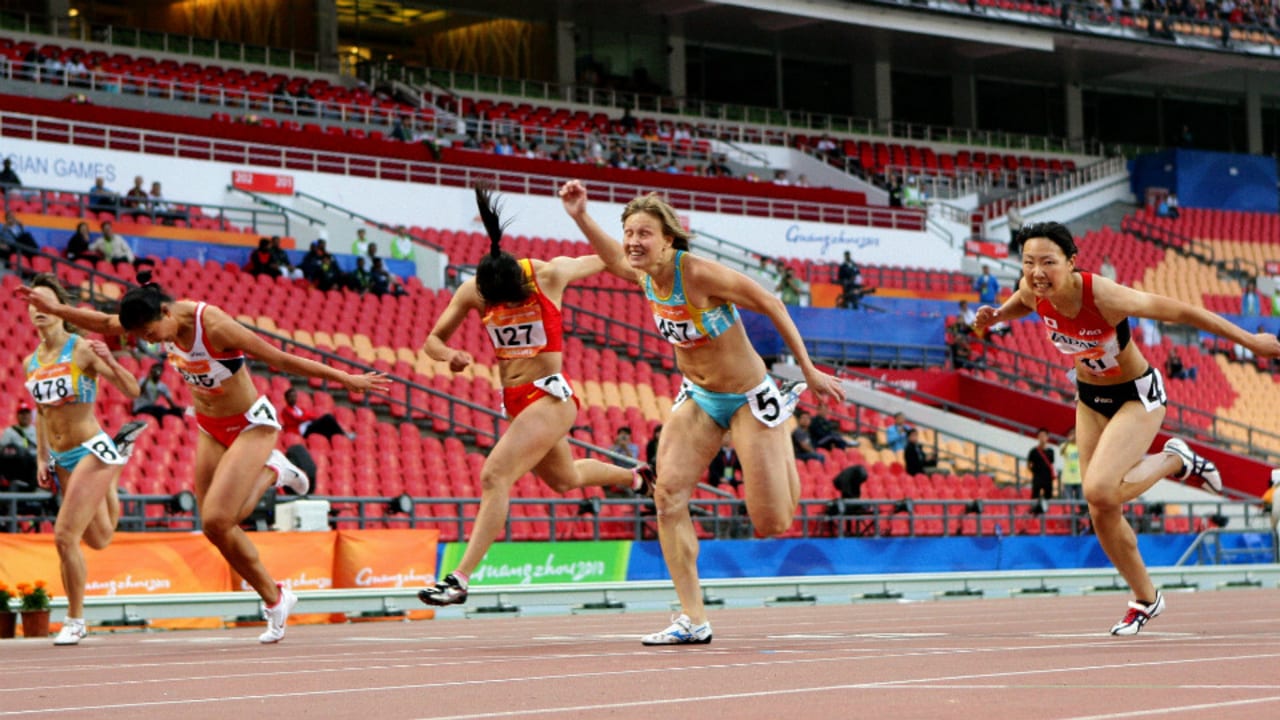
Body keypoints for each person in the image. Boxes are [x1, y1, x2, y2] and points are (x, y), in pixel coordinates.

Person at [17, 279, 390, 644]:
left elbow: (279, 359)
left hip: (250, 425)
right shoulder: (150, 318)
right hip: (211, 427)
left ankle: (274, 468)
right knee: (213, 528)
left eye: (151, 333)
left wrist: (345, 378)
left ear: (165, 311)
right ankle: (276, 599)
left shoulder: (212, 325)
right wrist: (53, 308)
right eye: (143, 337)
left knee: (217, 517)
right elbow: (101, 322)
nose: (151, 342)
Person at [560, 178, 845, 645]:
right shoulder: (645, 273)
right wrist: (580, 216)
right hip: (698, 396)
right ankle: (693, 618)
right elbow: (612, 259)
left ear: (668, 239)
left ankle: (783, 418)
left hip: (750, 396)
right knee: (667, 495)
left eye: (643, 233)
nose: (633, 241)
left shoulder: (698, 274)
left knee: (771, 523)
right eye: (629, 232)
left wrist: (809, 371)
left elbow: (770, 301)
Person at [973, 220, 1280, 636]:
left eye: (1048, 262)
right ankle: (1146, 598)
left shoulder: (1103, 295)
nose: (1037, 271)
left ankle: (1174, 458)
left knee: (1098, 488)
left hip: (1137, 396)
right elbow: (1022, 301)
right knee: (1101, 511)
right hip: (1089, 399)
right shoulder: (1033, 288)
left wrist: (1249, 341)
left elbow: (1184, 311)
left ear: (1072, 262)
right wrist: (995, 316)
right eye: (1028, 262)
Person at [417, 187, 654, 610]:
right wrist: (449, 354)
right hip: (515, 401)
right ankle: (637, 477)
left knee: (494, 476)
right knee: (566, 480)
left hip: (551, 398)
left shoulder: (549, 275)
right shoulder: (475, 290)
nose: (501, 308)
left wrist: (628, 241)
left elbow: (606, 259)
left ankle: (460, 578)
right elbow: (432, 340)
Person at [19, 274, 148, 646]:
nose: (38, 309)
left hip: (89, 448)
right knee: (100, 538)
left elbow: (132, 388)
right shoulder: (31, 362)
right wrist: (42, 458)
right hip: (61, 457)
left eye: (45, 302)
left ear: (59, 310)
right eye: (32, 303)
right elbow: (42, 413)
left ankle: (75, 619)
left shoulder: (81, 350)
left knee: (64, 537)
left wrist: (110, 358)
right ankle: (117, 457)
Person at [279, 387, 352, 440]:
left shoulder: (299, 408)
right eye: (291, 397)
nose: (293, 398)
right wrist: (305, 417)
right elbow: (298, 418)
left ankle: (343, 437)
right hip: (303, 430)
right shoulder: (286, 410)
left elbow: (312, 416)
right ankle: (344, 434)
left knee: (328, 430)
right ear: (286, 398)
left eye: (294, 396)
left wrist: (305, 417)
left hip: (309, 425)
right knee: (328, 417)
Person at [0, 401, 38, 491]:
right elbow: (2, 450)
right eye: (22, 413)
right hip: (16, 465)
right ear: (17, 415)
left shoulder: (38, 432)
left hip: (33, 465)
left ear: (30, 415)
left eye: (26, 413)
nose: (24, 416)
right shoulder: (10, 431)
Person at [1026, 427, 1056, 501]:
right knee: (1035, 497)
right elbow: (1029, 464)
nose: (1042, 438)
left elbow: (1051, 463)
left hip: (1048, 478)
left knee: (1048, 497)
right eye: (1040, 436)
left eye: (1044, 436)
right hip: (1037, 477)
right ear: (1038, 437)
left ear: (1047, 437)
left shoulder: (1051, 451)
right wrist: (1034, 471)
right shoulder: (1033, 451)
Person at [1058, 426, 1082, 504]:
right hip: (1068, 478)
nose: (1074, 435)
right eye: (1072, 434)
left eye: (1075, 433)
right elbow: (1061, 452)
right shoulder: (1065, 445)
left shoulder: (1081, 445)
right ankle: (1072, 514)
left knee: (1081, 500)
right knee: (1069, 502)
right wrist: (1068, 441)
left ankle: (1081, 514)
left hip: (1080, 478)